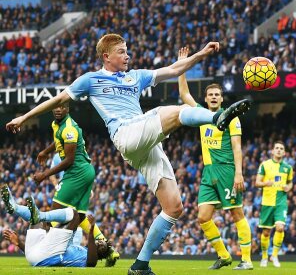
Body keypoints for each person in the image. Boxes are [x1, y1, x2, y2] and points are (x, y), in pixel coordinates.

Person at [6, 34, 251, 275]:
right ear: (106, 56)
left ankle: (140, 265)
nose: (127, 55)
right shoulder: (91, 80)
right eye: (122, 52)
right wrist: (25, 117)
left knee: (174, 207)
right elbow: (58, 99)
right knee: (176, 112)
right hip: (125, 133)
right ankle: (217, 118)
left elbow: (174, 70)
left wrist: (202, 54)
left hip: (144, 140)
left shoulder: (136, 77)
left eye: (127, 50)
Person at [177, 47, 253, 270]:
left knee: (236, 212)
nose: (213, 97)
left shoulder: (232, 118)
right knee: (203, 217)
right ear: (206, 98)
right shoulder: (202, 115)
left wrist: (239, 173)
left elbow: (237, 147)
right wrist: (182, 67)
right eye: (210, 95)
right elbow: (184, 95)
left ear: (221, 99)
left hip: (227, 170)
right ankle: (224, 255)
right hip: (208, 172)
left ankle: (246, 259)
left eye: (217, 95)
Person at [35, 102, 119, 266]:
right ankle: (109, 251)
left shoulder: (70, 129)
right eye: (56, 107)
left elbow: (69, 160)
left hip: (76, 173)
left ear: (68, 109)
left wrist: (45, 174)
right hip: (82, 173)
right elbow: (58, 140)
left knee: (53, 215)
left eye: (62, 107)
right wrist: (45, 151)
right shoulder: (56, 125)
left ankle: (47, 251)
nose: (58, 110)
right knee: (79, 217)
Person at [2, 189, 111, 267]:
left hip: (47, 257)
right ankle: (15, 207)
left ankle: (41, 215)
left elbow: (92, 261)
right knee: (39, 223)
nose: (100, 243)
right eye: (101, 241)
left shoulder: (91, 261)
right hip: (34, 256)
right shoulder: (80, 248)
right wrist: (19, 243)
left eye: (103, 246)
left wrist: (91, 230)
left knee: (74, 215)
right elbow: (37, 251)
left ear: (101, 255)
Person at [255, 141, 294, 268]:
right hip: (267, 202)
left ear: (284, 152)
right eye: (276, 148)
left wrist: (288, 187)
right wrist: (265, 183)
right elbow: (257, 182)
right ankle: (264, 257)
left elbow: (290, 183)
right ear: (272, 151)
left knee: (280, 228)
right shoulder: (264, 165)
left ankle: (275, 256)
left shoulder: (288, 168)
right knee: (266, 232)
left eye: (281, 148)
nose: (278, 150)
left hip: (281, 202)